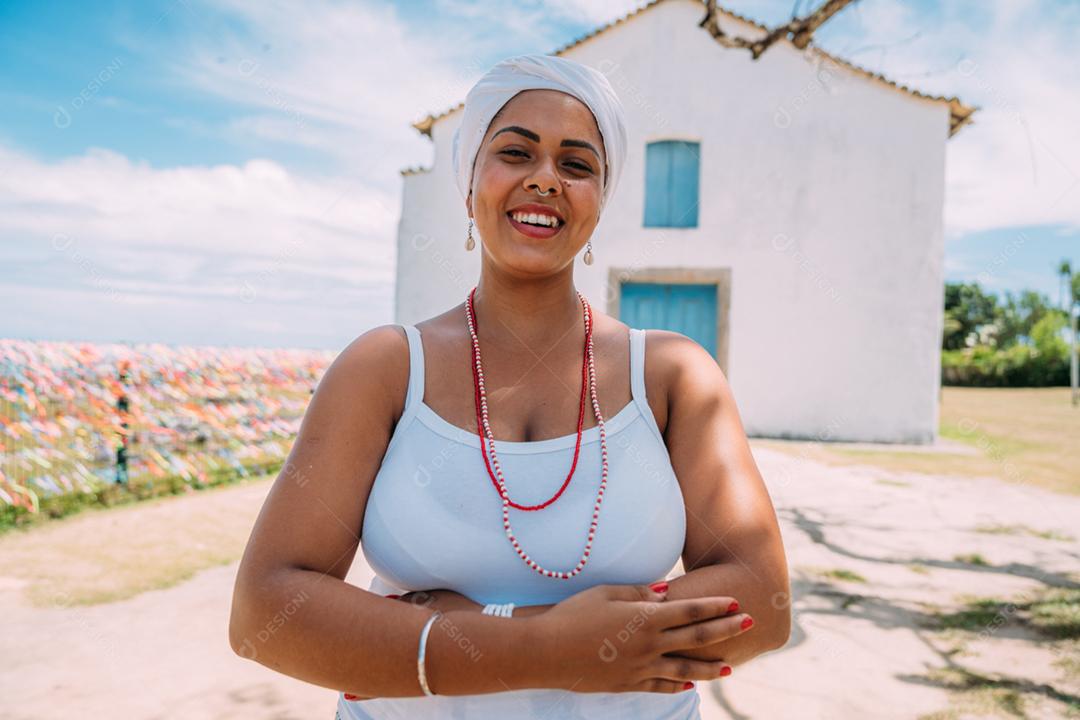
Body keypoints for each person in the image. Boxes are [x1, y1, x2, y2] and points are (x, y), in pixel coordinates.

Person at [229, 53, 790, 720]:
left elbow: (762, 600)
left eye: (577, 164)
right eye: (516, 152)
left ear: (599, 204)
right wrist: (545, 647)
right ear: (469, 189)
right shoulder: (385, 369)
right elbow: (266, 609)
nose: (545, 179)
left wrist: (459, 630)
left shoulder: (672, 376)